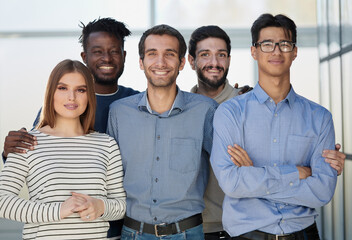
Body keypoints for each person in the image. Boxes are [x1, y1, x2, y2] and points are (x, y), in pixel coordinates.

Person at [188, 25, 346, 240]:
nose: (276, 51)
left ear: (295, 51)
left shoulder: (319, 117)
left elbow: (322, 191)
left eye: (284, 44)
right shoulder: (228, 112)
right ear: (254, 51)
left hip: (301, 233)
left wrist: (254, 176)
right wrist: (295, 173)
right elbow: (232, 183)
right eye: (267, 44)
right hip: (230, 230)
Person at [1, 17, 138, 239]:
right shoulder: (61, 107)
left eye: (114, 51)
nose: (106, 58)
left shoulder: (138, 103)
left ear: (124, 56)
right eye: (97, 51)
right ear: (85, 57)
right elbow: (37, 161)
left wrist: (102, 206)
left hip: (123, 229)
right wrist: (9, 153)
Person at [107, 24, 218, 239]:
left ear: (182, 62)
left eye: (169, 54)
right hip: (133, 233)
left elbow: (227, 168)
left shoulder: (205, 110)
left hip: (187, 233)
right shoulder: (119, 112)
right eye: (152, 54)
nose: (160, 62)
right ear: (141, 62)